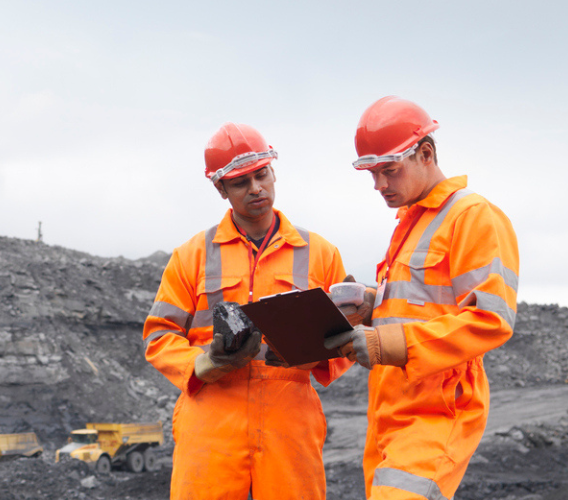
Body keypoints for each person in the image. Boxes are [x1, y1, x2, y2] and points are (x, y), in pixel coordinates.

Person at [143, 122, 355, 500]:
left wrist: (309, 357)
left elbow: (345, 337)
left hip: (290, 419)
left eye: (262, 175)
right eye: (241, 182)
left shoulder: (320, 253)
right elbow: (158, 337)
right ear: (220, 188)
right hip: (211, 418)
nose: (256, 188)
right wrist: (203, 363)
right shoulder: (192, 255)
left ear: (273, 172)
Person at [326, 96, 521, 500]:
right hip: (389, 411)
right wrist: (370, 305)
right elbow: (419, 305)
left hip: (436, 411)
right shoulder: (412, 225)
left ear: (426, 153)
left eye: (389, 171)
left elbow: (491, 319)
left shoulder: (472, 216)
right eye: (373, 174)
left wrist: (385, 342)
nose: (379, 185)